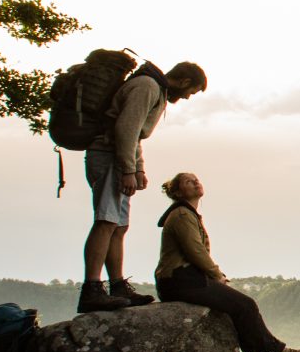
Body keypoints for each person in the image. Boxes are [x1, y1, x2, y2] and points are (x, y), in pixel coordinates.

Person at [79, 59, 207, 313]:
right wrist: (128, 170)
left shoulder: (152, 88)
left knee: (118, 226)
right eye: (190, 92)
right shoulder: (147, 86)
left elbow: (133, 133)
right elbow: (125, 128)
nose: (187, 98)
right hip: (108, 156)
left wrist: (138, 168)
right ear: (183, 81)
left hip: (116, 158)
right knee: (106, 222)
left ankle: (117, 285)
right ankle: (92, 289)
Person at [155, 173, 300, 352]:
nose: (195, 182)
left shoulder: (185, 214)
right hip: (181, 279)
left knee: (235, 308)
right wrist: (217, 275)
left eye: (196, 179)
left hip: (181, 279)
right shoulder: (182, 215)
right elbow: (195, 250)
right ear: (177, 192)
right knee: (245, 305)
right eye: (188, 182)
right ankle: (279, 351)